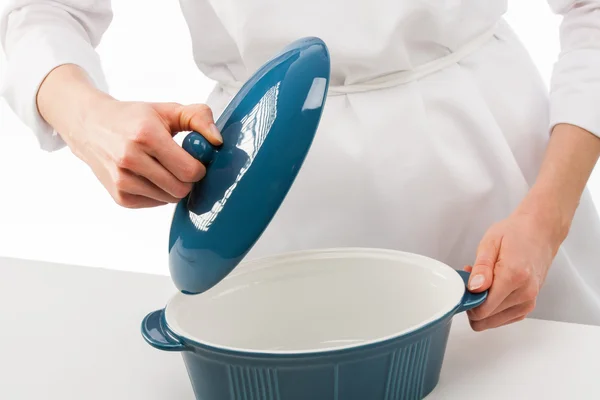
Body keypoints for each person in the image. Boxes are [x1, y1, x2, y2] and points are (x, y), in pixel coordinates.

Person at [2, 0, 600, 332]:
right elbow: (38, 10)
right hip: (265, 185)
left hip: (501, 179)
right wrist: (85, 116)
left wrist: (546, 220)